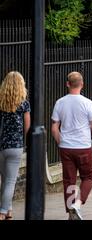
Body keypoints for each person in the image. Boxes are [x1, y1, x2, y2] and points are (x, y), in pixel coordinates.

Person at [51, 72, 92, 220]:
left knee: (69, 180)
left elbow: (54, 128)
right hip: (83, 147)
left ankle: (71, 214)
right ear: (82, 84)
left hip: (66, 147)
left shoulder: (60, 103)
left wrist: (61, 142)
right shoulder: (87, 103)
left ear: (67, 84)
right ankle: (78, 204)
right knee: (89, 176)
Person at [0, 71, 30, 220]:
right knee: (11, 181)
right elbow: (27, 127)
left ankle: (9, 211)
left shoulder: (1, 102)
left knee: (4, 179)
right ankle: (3, 211)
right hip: (16, 146)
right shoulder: (24, 103)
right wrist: (26, 144)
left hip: (1, 145)